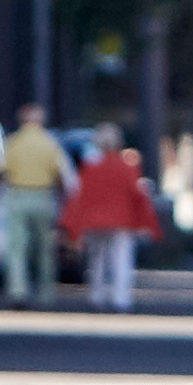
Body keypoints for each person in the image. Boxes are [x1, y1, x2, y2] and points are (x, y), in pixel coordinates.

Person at [64, 131, 163, 315]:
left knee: (97, 260)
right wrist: (147, 223)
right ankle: (121, 299)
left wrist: (75, 226)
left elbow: (80, 196)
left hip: (94, 221)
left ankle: (96, 296)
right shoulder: (127, 167)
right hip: (121, 221)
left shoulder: (90, 168)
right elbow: (137, 195)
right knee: (121, 260)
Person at [0, 111, 73, 308]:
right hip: (43, 197)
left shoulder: (14, 142)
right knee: (45, 248)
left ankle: (18, 290)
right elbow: (59, 174)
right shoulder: (49, 143)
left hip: (18, 195)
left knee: (17, 247)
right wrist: (63, 198)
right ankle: (46, 293)